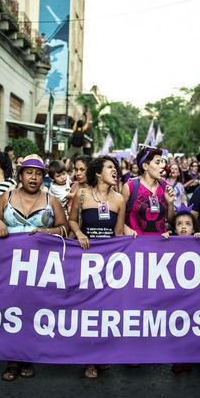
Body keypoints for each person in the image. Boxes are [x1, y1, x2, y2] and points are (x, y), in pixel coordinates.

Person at [0, 154, 69, 382]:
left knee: (31, 312)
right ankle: (12, 359)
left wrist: (47, 232)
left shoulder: (51, 200)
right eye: (29, 172)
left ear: (43, 177)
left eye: (38, 173)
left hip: (39, 269)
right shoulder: (7, 195)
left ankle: (27, 357)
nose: (33, 177)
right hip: (9, 267)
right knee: (10, 312)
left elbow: (65, 229)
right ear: (20, 174)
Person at [68, 155, 125, 378]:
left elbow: (118, 234)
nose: (115, 171)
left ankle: (101, 356)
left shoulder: (119, 199)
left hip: (108, 262)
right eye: (110, 167)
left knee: (105, 312)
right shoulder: (82, 194)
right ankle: (88, 360)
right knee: (87, 311)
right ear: (98, 173)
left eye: (116, 168)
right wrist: (80, 233)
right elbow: (72, 220)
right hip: (85, 260)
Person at [170, 204, 200, 374]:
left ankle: (190, 357)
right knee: (177, 326)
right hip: (175, 293)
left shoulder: (199, 240)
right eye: (179, 224)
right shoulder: (168, 242)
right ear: (174, 228)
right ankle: (177, 358)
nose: (183, 227)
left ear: (194, 227)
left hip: (194, 293)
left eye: (188, 224)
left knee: (192, 325)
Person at [121, 147, 175, 236]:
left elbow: (171, 220)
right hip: (136, 246)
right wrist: (126, 229)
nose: (163, 166)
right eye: (158, 162)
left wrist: (170, 203)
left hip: (160, 245)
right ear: (145, 166)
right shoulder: (130, 187)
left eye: (162, 162)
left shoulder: (165, 186)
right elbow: (118, 217)